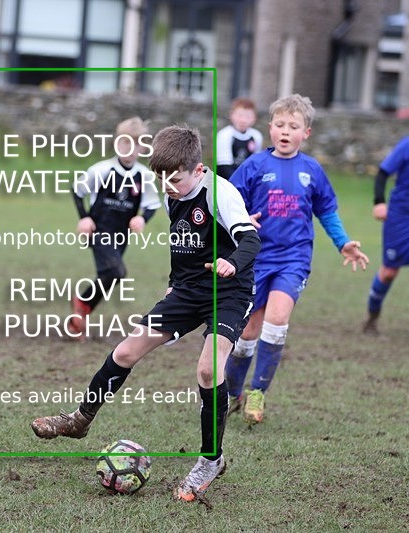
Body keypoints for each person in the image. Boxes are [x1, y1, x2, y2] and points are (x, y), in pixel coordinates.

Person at [32, 125, 261, 502]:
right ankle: (80, 420)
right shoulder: (173, 191)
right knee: (125, 351)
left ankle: (210, 459)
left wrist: (232, 263)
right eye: (162, 178)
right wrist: (175, 283)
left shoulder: (220, 192)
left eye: (176, 178)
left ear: (198, 170)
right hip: (188, 290)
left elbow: (251, 238)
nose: (168, 185)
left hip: (230, 291)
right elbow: (183, 244)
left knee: (207, 369)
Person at [225, 94, 369, 424]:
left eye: (293, 126)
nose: (285, 131)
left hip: (294, 259)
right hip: (255, 259)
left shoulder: (311, 170)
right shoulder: (255, 166)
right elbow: (228, 204)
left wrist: (343, 242)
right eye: (279, 125)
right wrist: (244, 220)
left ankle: (258, 393)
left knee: (276, 322)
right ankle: (233, 393)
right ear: (270, 128)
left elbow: (327, 211)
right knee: (246, 337)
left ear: (307, 132)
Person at [67, 117, 162, 340]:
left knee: (109, 275)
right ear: (117, 144)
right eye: (124, 143)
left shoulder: (144, 176)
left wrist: (142, 220)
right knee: (116, 271)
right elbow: (77, 190)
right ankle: (82, 306)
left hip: (121, 235)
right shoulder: (101, 170)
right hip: (99, 230)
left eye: (134, 145)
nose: (129, 149)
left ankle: (81, 311)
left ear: (142, 147)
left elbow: (151, 205)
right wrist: (84, 218)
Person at [363, 137, 409, 333]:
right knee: (389, 271)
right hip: (401, 215)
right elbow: (383, 173)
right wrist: (379, 201)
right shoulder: (406, 145)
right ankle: (372, 315)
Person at [215, 97, 263, 180]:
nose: (243, 120)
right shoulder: (224, 135)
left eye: (248, 116)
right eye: (239, 115)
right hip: (226, 182)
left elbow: (256, 164)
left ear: (254, 118)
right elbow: (224, 167)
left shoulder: (257, 136)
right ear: (231, 115)